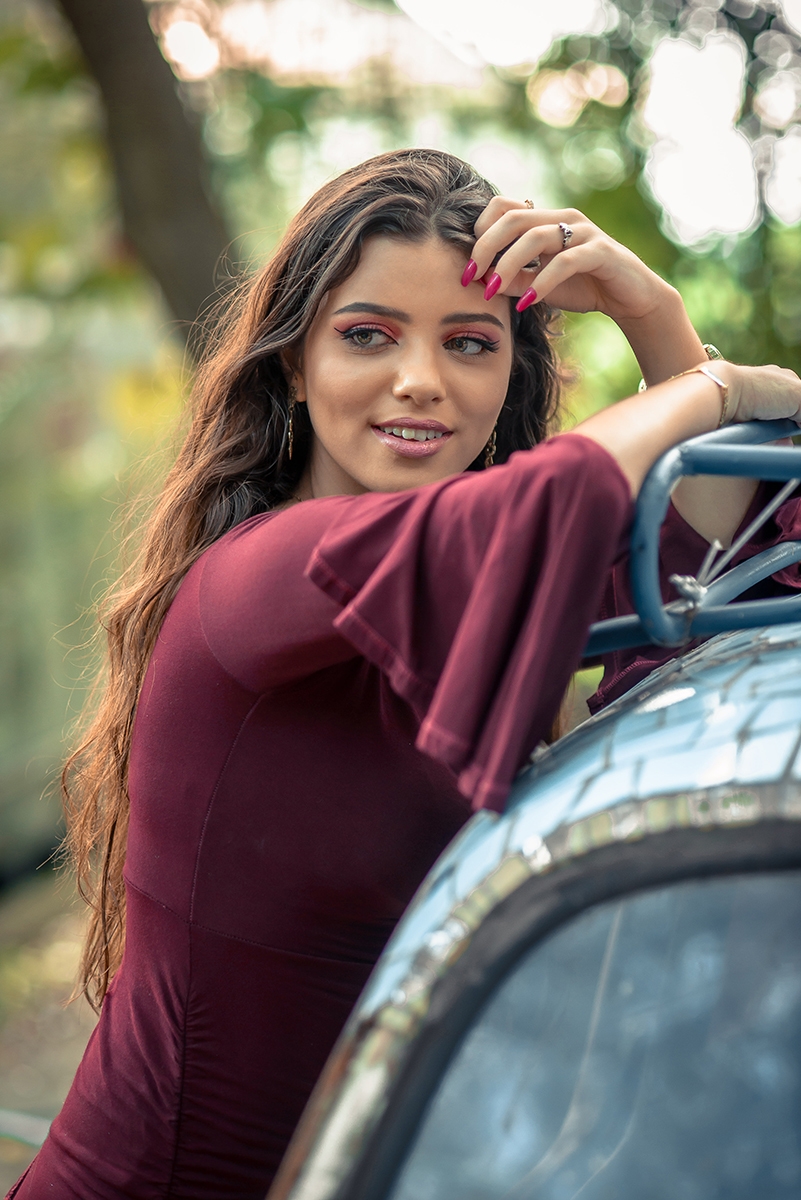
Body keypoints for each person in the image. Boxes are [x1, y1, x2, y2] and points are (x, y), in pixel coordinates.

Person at [9, 148, 801, 1199]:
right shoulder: (258, 579)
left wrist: (651, 313)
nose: (420, 379)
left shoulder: (470, 594)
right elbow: (556, 497)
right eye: (367, 334)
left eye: (469, 343)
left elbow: (710, 567)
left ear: (506, 379)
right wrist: (715, 385)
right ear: (294, 365)